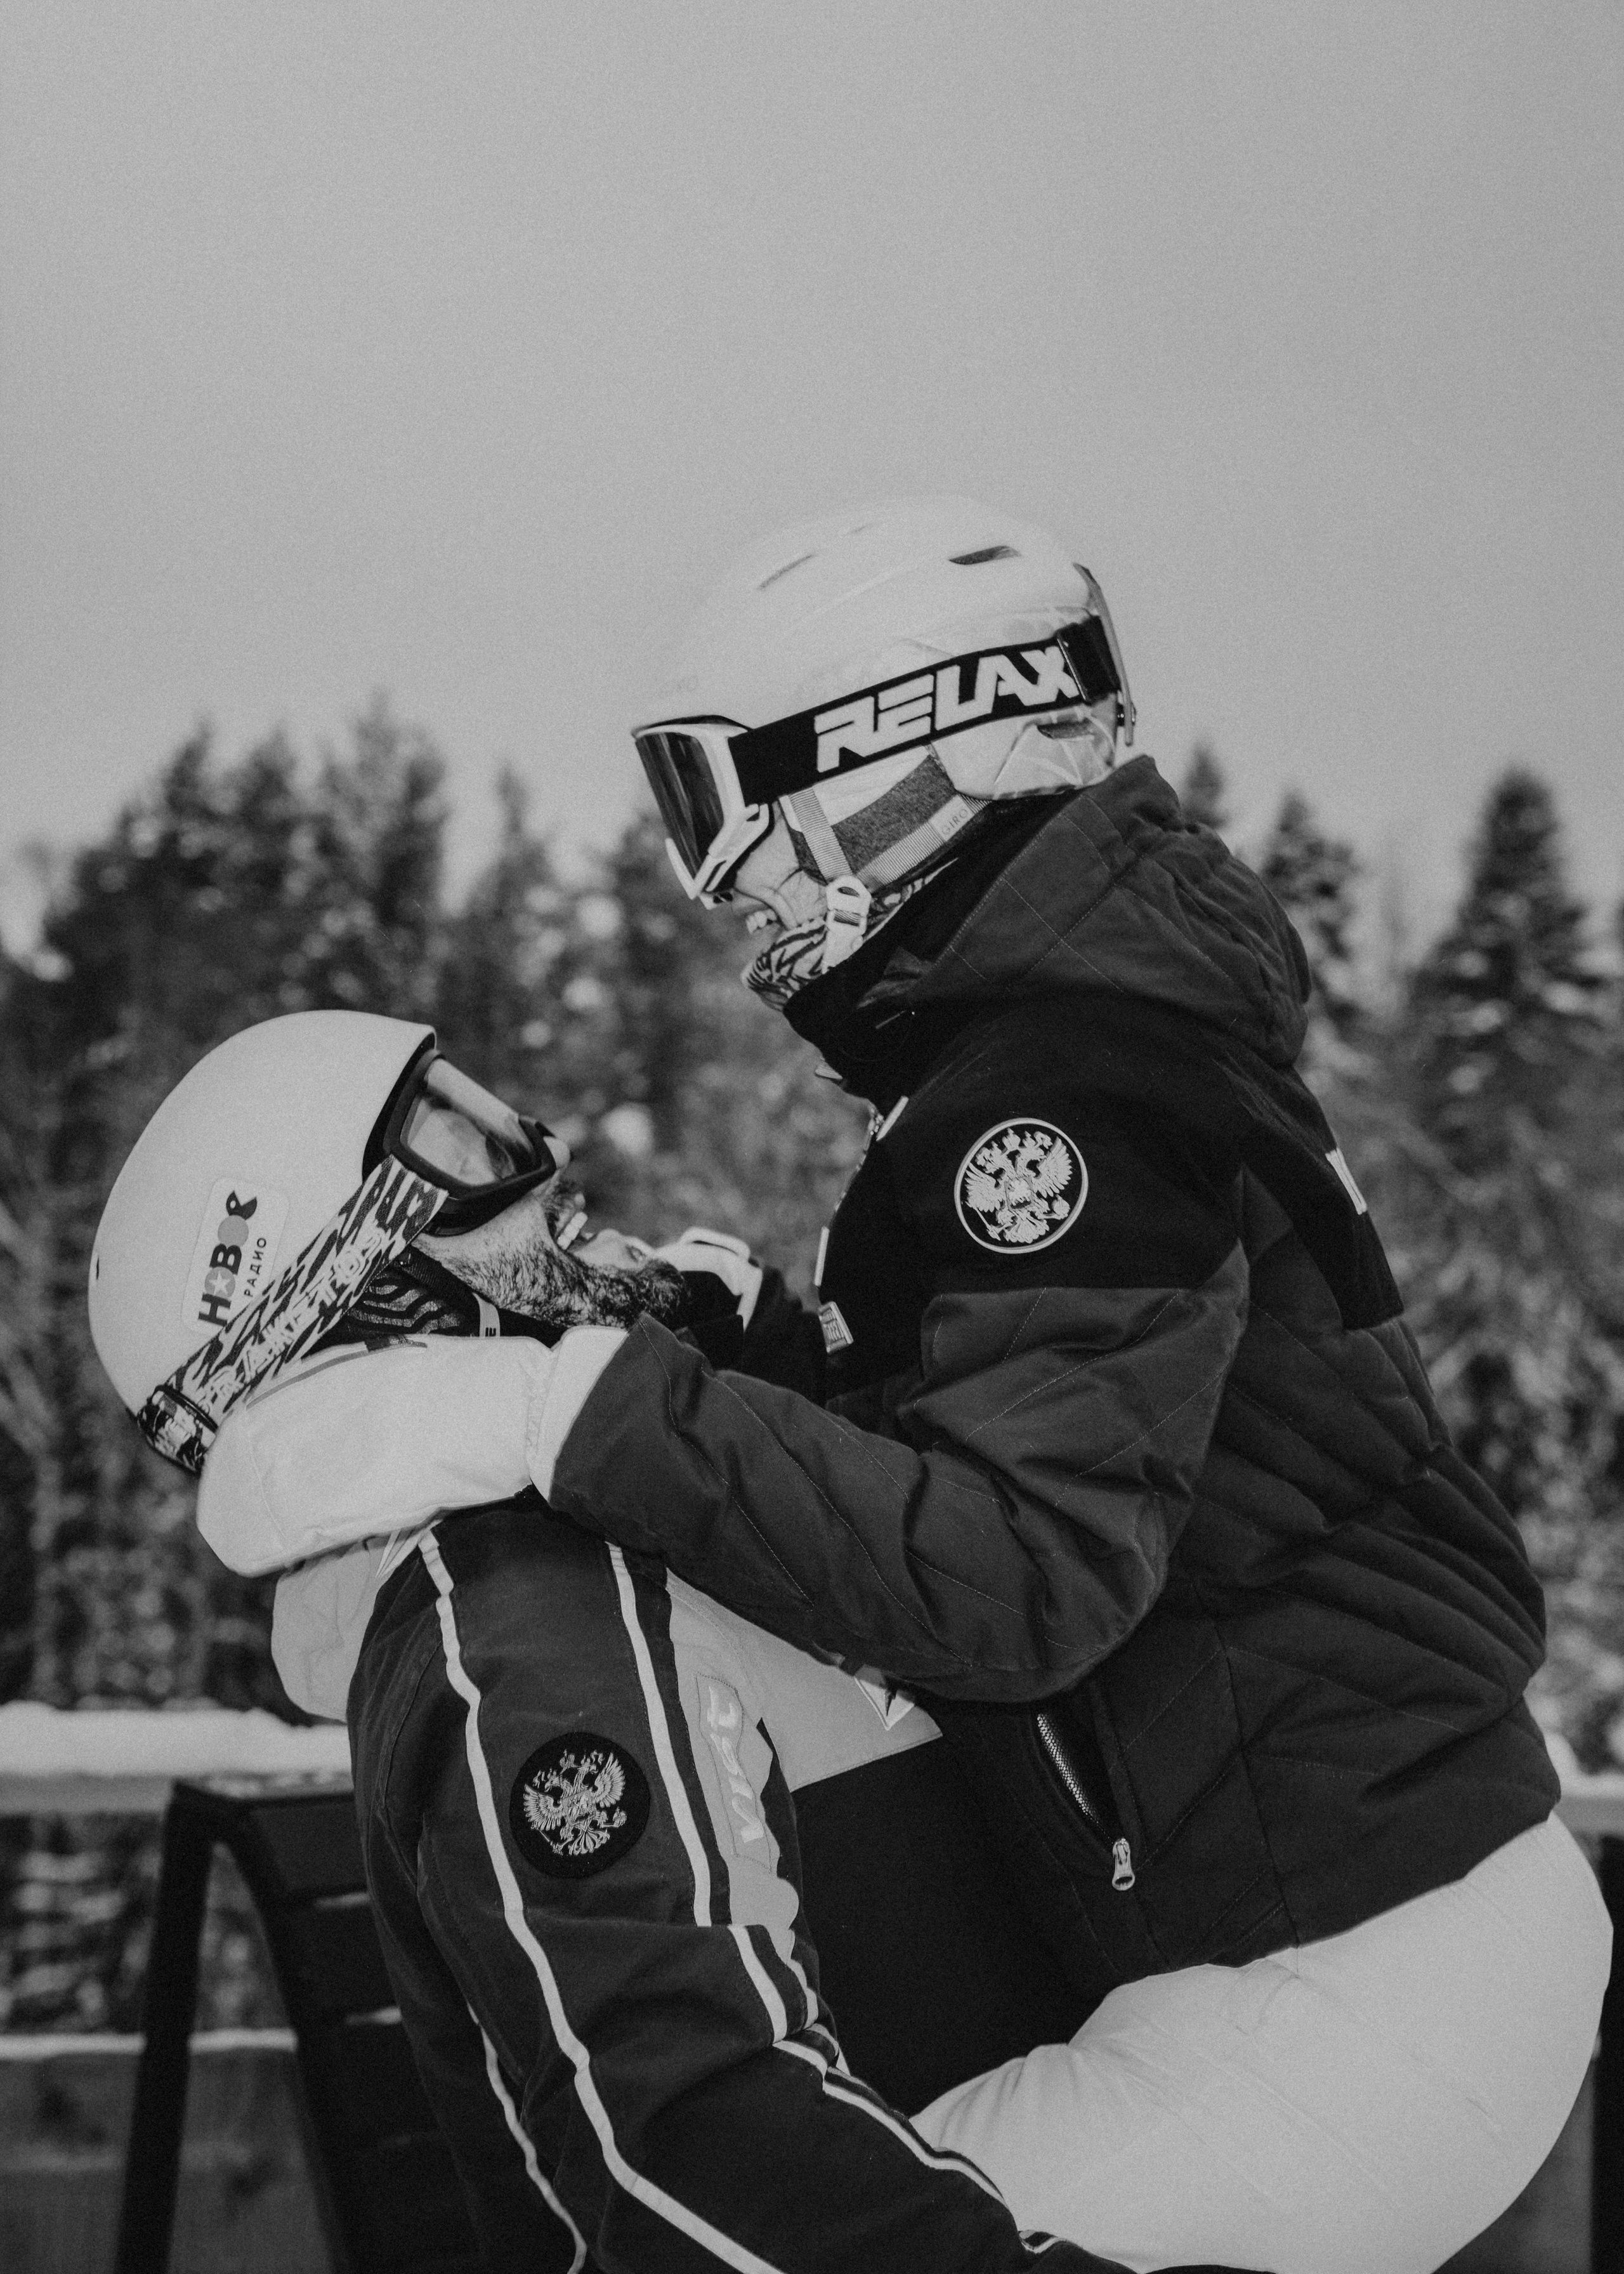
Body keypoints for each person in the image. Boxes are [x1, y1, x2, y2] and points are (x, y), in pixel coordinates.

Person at [195, 498, 1609, 2274]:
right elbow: (1056, 1460)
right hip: (1401, 1909)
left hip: (1344, 1974)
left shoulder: (1054, 1101)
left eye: (732, 809)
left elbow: (1024, 1577)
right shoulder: (1088, 1051)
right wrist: (760, 1356)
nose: (731, 883)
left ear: (897, 760)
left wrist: (555, 1408)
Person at [88, 1009, 1129, 2274]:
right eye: (462, 1149)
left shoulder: (621, 1524)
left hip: (1068, 2129)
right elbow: (686, 2151)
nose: (541, 1149)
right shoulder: (529, 1621)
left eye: (493, 1112)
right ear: (355, 1292)